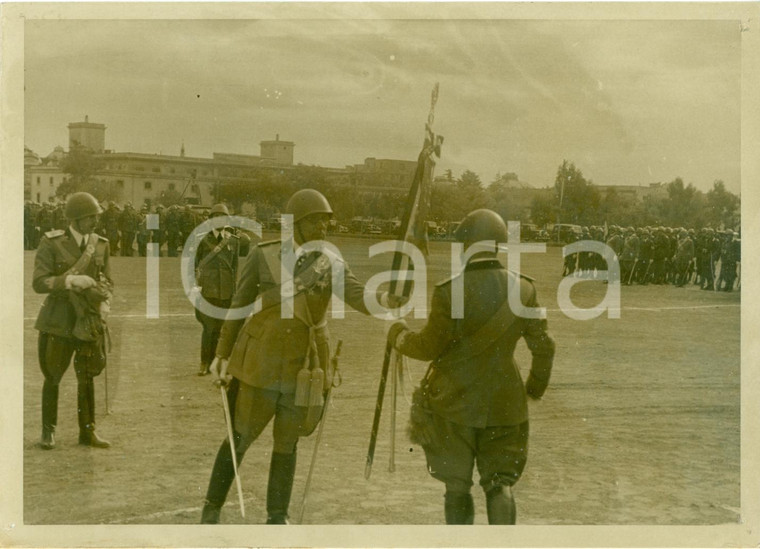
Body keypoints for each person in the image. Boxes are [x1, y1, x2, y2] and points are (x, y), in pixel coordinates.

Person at [200, 189, 401, 524]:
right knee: (240, 437)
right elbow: (238, 308)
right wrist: (222, 353)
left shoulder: (331, 263)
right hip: (260, 365)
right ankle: (211, 507)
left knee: (287, 442)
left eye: (325, 221)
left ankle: (277, 517)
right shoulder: (263, 256)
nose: (324, 228)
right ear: (296, 225)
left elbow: (359, 297)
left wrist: (386, 298)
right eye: (315, 222)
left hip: (305, 367)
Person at [387, 209, 555, 525]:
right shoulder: (526, 289)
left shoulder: (449, 290)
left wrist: (397, 334)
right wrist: (534, 386)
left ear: (466, 247)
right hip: (506, 403)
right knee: (500, 483)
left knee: (456, 486)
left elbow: (427, 347)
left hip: (455, 405)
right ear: (498, 245)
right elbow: (545, 346)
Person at [32, 191, 113, 450]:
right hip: (58, 321)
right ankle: (48, 431)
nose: (95, 221)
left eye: (96, 216)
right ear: (75, 219)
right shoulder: (51, 243)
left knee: (86, 377)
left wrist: (105, 301)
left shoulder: (101, 244)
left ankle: (87, 432)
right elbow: (39, 282)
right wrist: (69, 280)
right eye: (90, 217)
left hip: (87, 322)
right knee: (53, 376)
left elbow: (107, 280)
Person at [194, 203, 250, 376]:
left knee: (223, 329)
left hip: (226, 291)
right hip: (207, 291)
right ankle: (205, 362)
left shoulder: (233, 240)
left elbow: (235, 267)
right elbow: (194, 265)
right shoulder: (202, 239)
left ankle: (220, 362)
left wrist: (234, 291)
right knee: (209, 329)